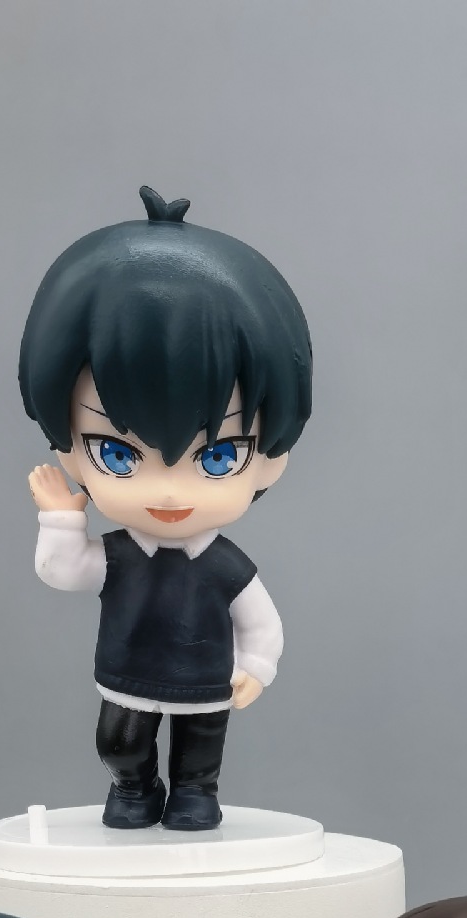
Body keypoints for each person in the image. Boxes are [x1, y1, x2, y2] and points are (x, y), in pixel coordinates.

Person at [19, 186, 313, 830]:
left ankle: (194, 796)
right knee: (119, 742)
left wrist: (256, 666)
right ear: (69, 451)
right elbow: (62, 571)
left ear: (270, 458)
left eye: (219, 457)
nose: (170, 492)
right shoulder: (119, 554)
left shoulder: (226, 566)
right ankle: (135, 788)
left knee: (200, 754)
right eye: (118, 455)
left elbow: (261, 622)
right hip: (127, 674)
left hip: (205, 681)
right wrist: (61, 517)